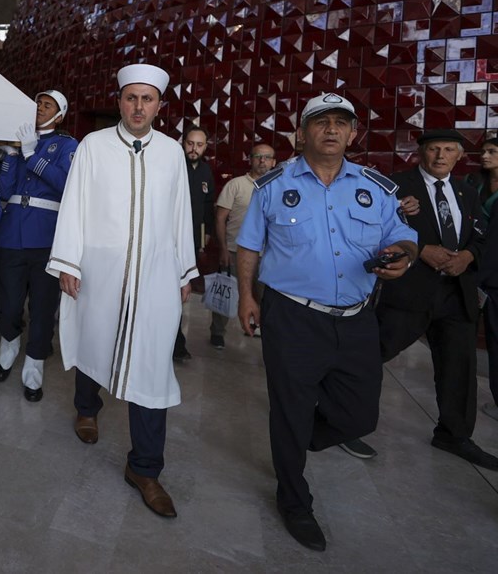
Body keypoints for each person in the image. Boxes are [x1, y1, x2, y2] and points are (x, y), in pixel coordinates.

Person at [236, 92, 417, 551]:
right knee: (290, 411)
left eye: (341, 122)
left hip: (357, 319)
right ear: (302, 133)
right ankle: (294, 500)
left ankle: (294, 441)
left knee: (360, 415)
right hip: (292, 314)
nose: (331, 129)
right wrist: (245, 297)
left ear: (353, 133)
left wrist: (405, 255)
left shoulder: (376, 188)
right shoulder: (273, 185)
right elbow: (249, 246)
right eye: (321, 122)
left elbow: (401, 234)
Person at [47, 63, 196, 520]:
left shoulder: (172, 152)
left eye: (147, 99)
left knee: (151, 365)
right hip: (100, 267)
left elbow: (180, 213)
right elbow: (74, 202)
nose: (138, 106)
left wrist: (184, 269)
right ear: (119, 101)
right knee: (97, 335)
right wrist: (69, 259)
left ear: (159, 105)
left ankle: (145, 468)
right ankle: (86, 407)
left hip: (154, 273)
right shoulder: (92, 146)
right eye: (131, 98)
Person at [371, 129, 498, 470]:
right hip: (410, 290)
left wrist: (468, 256)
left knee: (459, 367)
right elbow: (373, 228)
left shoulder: (467, 192)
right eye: (433, 149)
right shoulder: (395, 185)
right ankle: (334, 415)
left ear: (459, 156)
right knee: (370, 354)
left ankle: (454, 435)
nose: (440, 156)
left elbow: (481, 238)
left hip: (457, 293)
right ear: (421, 153)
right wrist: (420, 249)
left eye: (448, 150)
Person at [0, 89, 78, 400]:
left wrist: (32, 155)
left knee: (42, 308)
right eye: (38, 103)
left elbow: (67, 184)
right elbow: (4, 189)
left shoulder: (67, 145)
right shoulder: (17, 139)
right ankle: (10, 341)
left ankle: (34, 365)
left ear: (60, 114)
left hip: (46, 238)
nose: (40, 107)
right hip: (11, 234)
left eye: (47, 104)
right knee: (8, 303)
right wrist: (11, 156)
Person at [208, 142, 275, 347]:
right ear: (251, 159)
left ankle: (253, 327)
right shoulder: (235, 185)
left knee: (264, 297)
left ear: (274, 162)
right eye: (257, 156)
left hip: (266, 255)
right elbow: (220, 219)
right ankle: (218, 332)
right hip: (235, 251)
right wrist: (223, 249)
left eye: (266, 157)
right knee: (226, 294)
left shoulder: (277, 187)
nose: (262, 161)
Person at [172, 124, 214, 362]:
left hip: (191, 243)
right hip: (168, 240)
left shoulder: (206, 171)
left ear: (205, 147)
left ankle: (177, 344)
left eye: (199, 144)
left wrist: (205, 235)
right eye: (190, 143)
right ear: (183, 142)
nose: (194, 149)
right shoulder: (174, 165)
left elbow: (209, 205)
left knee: (182, 294)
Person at [475, 136, 498, 421]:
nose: (484, 156)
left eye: (492, 152)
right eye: (483, 151)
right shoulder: (475, 184)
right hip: (479, 266)